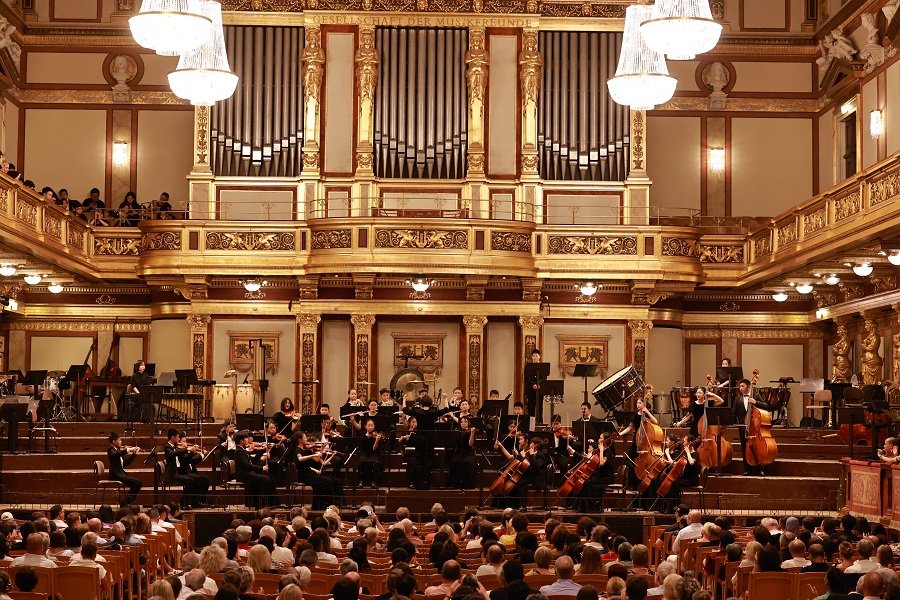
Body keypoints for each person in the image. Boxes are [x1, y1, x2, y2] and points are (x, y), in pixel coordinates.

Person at [402, 395, 454, 490]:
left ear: (421, 404)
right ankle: (427, 485)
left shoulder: (417, 412)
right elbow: (446, 409)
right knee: (428, 462)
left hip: (419, 437)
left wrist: (404, 399)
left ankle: (418, 484)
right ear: (431, 404)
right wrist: (445, 399)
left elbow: (405, 409)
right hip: (430, 438)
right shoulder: (433, 412)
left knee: (419, 461)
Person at [617, 396, 658, 490]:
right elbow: (630, 428)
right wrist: (620, 434)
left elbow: (656, 422)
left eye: (640, 403)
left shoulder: (648, 414)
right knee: (631, 462)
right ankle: (631, 484)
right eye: (637, 403)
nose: (638, 404)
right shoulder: (635, 415)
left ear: (644, 404)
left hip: (646, 442)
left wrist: (646, 411)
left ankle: (644, 481)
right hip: (637, 441)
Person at [732, 378, 771, 476]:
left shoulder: (756, 396)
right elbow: (733, 413)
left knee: (757, 447)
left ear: (749, 387)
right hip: (743, 427)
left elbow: (766, 406)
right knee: (744, 448)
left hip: (755, 427)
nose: (740, 388)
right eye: (740, 386)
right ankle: (747, 469)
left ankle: (760, 469)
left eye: (742, 386)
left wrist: (755, 402)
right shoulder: (737, 399)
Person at [294, 432, 342, 510]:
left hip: (310, 473)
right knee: (327, 481)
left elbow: (317, 460)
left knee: (330, 480)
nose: (306, 440)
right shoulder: (297, 450)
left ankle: (321, 505)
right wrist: (313, 455)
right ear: (299, 440)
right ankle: (327, 505)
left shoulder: (306, 450)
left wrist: (321, 449)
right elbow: (300, 459)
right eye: (305, 438)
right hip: (304, 476)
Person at [164, 429, 210, 508]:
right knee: (191, 480)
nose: (179, 439)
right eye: (178, 437)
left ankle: (195, 503)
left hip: (178, 472)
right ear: (172, 437)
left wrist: (192, 452)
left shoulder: (176, 447)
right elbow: (171, 454)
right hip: (173, 474)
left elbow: (185, 461)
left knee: (200, 478)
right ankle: (183, 504)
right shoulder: (167, 447)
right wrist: (186, 449)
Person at [234, 432, 277, 508]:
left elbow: (253, 461)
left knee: (270, 477)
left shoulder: (242, 450)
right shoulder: (238, 452)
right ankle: (260, 504)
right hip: (243, 474)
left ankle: (272, 502)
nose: (248, 440)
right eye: (246, 438)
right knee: (266, 479)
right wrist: (261, 468)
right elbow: (247, 465)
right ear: (241, 441)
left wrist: (262, 450)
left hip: (248, 473)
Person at [107, 431, 142, 505]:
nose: (121, 441)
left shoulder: (118, 450)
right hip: (115, 474)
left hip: (121, 473)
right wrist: (127, 450)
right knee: (137, 483)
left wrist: (134, 454)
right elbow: (115, 455)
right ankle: (125, 503)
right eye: (119, 440)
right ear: (114, 441)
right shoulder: (110, 449)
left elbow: (126, 463)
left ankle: (126, 502)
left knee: (137, 483)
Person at [448, 415, 477, 489]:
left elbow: (470, 444)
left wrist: (472, 434)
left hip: (468, 452)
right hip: (459, 452)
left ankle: (467, 485)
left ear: (468, 423)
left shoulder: (470, 432)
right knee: (455, 461)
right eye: (462, 422)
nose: (463, 423)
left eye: (465, 422)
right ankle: (456, 485)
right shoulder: (457, 432)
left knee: (466, 462)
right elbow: (455, 444)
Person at [357, 419, 384, 488]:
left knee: (375, 463)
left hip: (374, 453)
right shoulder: (363, 436)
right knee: (361, 462)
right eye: (368, 425)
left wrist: (377, 440)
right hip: (365, 453)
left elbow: (374, 449)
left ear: (374, 426)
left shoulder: (377, 436)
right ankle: (361, 481)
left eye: (372, 425)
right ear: (365, 426)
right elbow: (362, 448)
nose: (370, 427)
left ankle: (374, 482)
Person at [524, 348, 544, 420]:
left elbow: (544, 377)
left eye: (536, 356)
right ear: (532, 357)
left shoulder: (543, 366)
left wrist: (539, 384)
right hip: (530, 389)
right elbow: (526, 377)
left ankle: (540, 423)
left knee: (539, 407)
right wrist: (533, 384)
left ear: (539, 357)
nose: (535, 357)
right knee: (531, 408)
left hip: (540, 389)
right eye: (534, 356)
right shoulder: (528, 366)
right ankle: (531, 425)